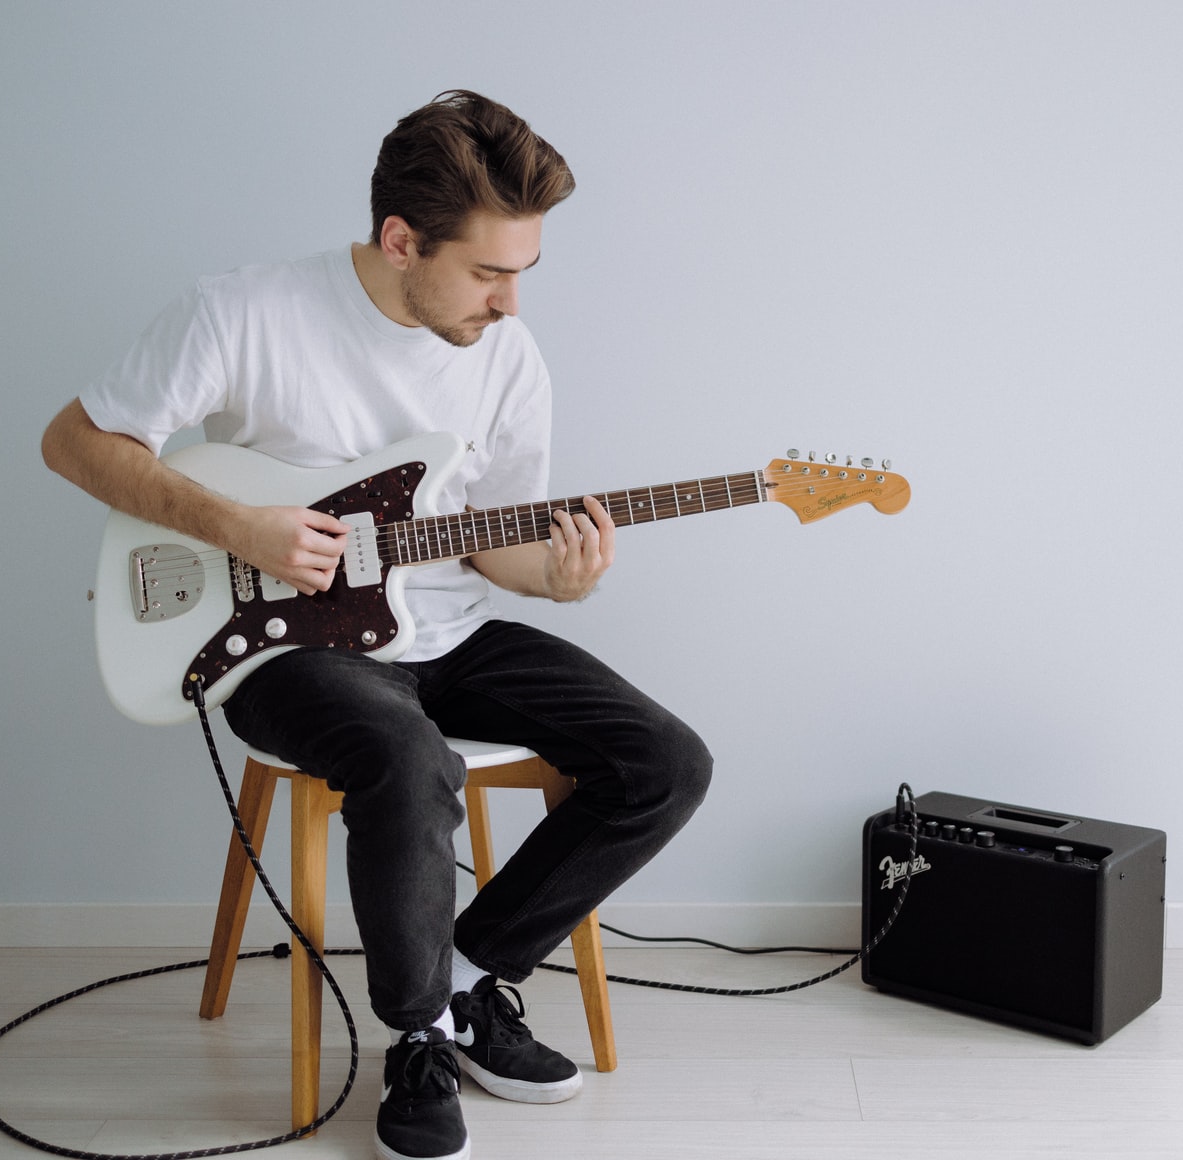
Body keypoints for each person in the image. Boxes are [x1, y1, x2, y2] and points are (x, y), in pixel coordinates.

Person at [41, 90, 712, 1160]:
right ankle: (417, 1041)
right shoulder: (244, 312)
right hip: (285, 645)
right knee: (409, 756)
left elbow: (494, 542)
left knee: (666, 760)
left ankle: (466, 980)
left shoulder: (506, 358)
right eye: (489, 273)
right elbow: (76, 443)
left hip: (444, 631)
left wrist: (563, 575)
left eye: (522, 274)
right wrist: (238, 526)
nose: (510, 306)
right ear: (402, 240)